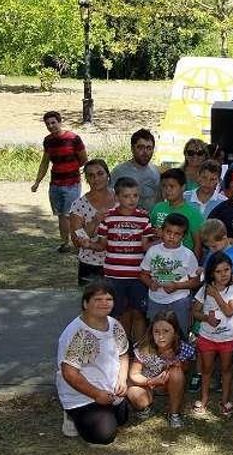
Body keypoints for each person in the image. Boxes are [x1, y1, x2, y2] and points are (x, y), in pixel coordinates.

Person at [83, 177, 155, 343]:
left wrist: (162, 243)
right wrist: (88, 244)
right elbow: (101, 245)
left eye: (135, 196)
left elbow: (146, 247)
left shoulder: (144, 219)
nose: (132, 200)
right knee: (118, 314)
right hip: (114, 277)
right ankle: (120, 349)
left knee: (138, 313)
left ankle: (138, 349)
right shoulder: (108, 218)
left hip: (138, 276)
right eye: (127, 196)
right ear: (117, 197)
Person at [56, 282, 129, 445]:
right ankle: (71, 415)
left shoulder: (115, 325)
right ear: (85, 303)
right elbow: (69, 373)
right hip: (83, 395)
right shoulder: (76, 333)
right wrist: (96, 394)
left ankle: (98, 414)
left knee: (122, 418)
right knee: (104, 435)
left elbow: (123, 354)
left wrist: (122, 379)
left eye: (108, 299)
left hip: (109, 391)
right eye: (98, 299)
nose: (104, 303)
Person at [191, 252, 233, 417]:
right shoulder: (205, 289)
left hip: (227, 338)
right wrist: (206, 318)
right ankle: (204, 399)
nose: (223, 274)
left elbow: (228, 311)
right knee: (206, 369)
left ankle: (225, 400)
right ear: (211, 273)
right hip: (207, 337)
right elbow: (195, 311)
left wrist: (216, 295)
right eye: (218, 271)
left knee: (226, 369)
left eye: (226, 270)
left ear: (231, 270)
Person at [126, 311, 195, 428]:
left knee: (177, 372)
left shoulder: (182, 348)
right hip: (146, 383)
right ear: (151, 332)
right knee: (135, 394)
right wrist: (150, 381)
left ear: (175, 332)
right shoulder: (144, 348)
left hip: (167, 384)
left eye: (166, 331)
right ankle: (144, 408)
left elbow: (188, 369)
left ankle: (174, 414)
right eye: (156, 332)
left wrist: (178, 363)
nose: (161, 336)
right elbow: (133, 374)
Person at [32, 110, 88, 252]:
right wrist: (37, 181)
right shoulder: (48, 141)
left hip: (72, 184)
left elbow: (83, 159)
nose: (51, 126)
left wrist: (72, 169)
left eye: (53, 123)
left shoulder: (73, 138)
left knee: (69, 215)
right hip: (55, 184)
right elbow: (44, 162)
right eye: (48, 124)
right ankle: (65, 242)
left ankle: (76, 242)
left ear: (60, 122)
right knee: (60, 215)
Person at [139, 213, 201, 337]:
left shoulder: (188, 255)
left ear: (183, 236)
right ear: (161, 231)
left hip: (180, 300)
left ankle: (180, 355)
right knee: (155, 333)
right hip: (156, 299)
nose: (171, 237)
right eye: (168, 232)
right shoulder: (153, 251)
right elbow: (143, 274)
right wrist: (150, 283)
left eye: (177, 234)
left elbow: (196, 281)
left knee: (180, 333)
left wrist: (177, 286)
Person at [69, 159, 117, 285]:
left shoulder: (122, 198)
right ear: (87, 179)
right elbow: (76, 240)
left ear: (108, 175)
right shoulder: (79, 205)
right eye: (91, 175)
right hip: (91, 265)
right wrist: (95, 221)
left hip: (119, 263)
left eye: (100, 173)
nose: (96, 178)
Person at [149, 168, 205, 259]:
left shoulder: (193, 213)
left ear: (183, 187)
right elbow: (149, 233)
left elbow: (198, 245)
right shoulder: (158, 207)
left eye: (172, 186)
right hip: (158, 261)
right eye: (164, 186)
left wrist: (193, 267)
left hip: (182, 263)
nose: (167, 190)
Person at [110, 128, 160, 212]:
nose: (145, 152)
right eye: (140, 147)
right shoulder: (119, 172)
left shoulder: (155, 171)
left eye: (149, 148)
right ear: (132, 148)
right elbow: (110, 198)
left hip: (150, 220)